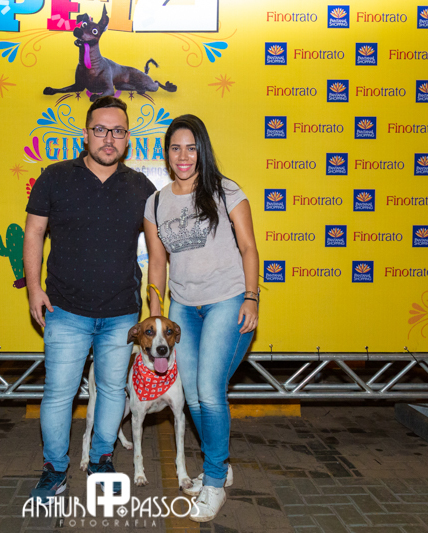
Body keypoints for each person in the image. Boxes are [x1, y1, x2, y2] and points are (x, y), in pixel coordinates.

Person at [24, 96, 156, 500]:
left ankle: (101, 461)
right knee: (59, 394)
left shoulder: (142, 187)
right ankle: (54, 470)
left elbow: (157, 251)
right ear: (86, 133)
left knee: (113, 391)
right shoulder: (55, 177)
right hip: (65, 309)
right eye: (100, 129)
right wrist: (34, 288)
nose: (108, 138)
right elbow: (34, 233)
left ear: (128, 137)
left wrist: (154, 307)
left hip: (121, 313)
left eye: (117, 131)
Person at [144, 114, 260, 522]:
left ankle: (213, 483)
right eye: (176, 148)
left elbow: (249, 248)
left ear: (202, 151)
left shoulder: (226, 191)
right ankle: (219, 465)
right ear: (166, 153)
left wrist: (251, 297)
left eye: (191, 148)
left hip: (227, 300)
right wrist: (155, 316)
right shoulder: (155, 203)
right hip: (182, 308)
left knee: (209, 390)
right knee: (192, 393)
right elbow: (157, 263)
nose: (183, 156)